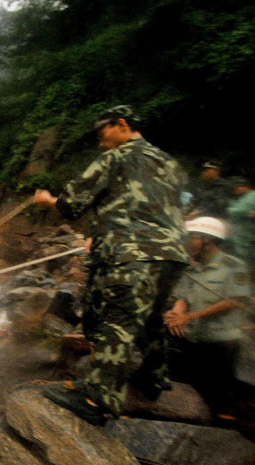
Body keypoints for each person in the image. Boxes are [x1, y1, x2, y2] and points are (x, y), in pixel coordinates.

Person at [33, 105, 189, 425]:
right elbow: (148, 205)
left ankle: (98, 398)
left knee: (116, 320)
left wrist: (48, 200)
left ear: (121, 124)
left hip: (132, 252)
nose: (98, 137)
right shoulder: (169, 163)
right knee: (152, 316)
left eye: (101, 129)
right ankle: (153, 378)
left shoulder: (114, 159)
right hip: (172, 254)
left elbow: (72, 203)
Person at [164, 217, 252, 418]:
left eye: (193, 238)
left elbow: (235, 301)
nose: (188, 242)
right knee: (185, 391)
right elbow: (182, 297)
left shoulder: (232, 266)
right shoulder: (191, 268)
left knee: (218, 400)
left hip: (220, 344)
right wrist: (176, 314)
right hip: (192, 340)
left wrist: (190, 317)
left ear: (208, 240)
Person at [226, 177, 255, 273]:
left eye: (236, 187)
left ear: (244, 186)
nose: (234, 190)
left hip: (248, 238)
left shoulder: (252, 196)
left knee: (247, 266)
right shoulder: (242, 198)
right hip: (240, 236)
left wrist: (232, 210)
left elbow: (238, 210)